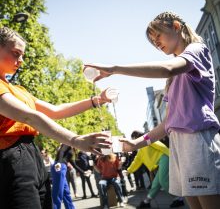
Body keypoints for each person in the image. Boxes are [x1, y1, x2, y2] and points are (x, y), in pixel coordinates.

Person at [85, 11, 220, 209]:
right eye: (152, 40)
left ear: (176, 26)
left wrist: (114, 68)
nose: (156, 42)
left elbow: (167, 68)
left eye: (158, 35)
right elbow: (167, 123)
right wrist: (134, 144)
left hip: (198, 141)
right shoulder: (173, 79)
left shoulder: (197, 50)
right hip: (179, 147)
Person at [0, 27, 112, 209]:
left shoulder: (19, 90)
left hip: (31, 155)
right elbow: (29, 117)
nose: (20, 60)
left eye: (22, 55)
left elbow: (56, 110)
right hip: (11, 158)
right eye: (15, 53)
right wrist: (76, 140)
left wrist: (97, 100)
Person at [126, 131, 184, 208]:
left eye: (133, 139)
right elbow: (136, 161)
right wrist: (128, 171)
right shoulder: (140, 150)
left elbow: (161, 146)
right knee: (155, 184)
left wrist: (172, 156)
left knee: (163, 180)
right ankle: (146, 202)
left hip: (165, 157)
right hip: (161, 162)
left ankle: (179, 198)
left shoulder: (146, 139)